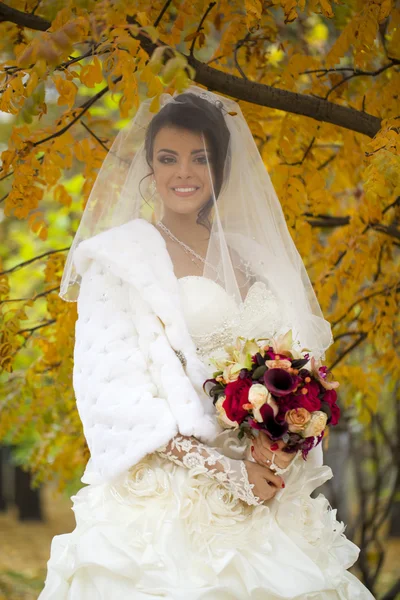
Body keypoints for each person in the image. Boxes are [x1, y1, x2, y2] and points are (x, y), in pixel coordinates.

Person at [39, 87, 375, 599]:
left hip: (273, 490)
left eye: (200, 158)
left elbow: (301, 363)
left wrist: (284, 439)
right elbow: (112, 395)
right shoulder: (119, 261)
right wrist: (224, 470)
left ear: (220, 166)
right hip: (173, 497)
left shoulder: (252, 257)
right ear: (150, 167)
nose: (184, 173)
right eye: (168, 158)